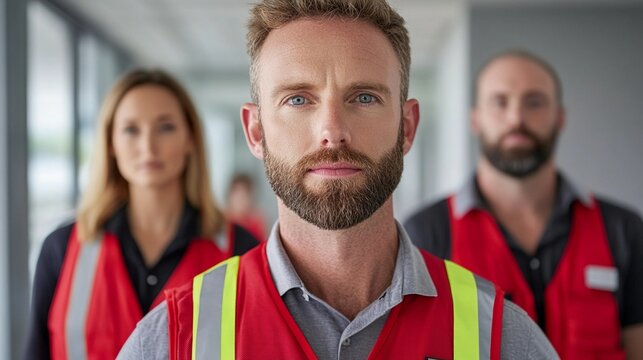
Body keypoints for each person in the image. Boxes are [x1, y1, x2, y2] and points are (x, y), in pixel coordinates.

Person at [118, 2, 557, 359]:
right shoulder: (171, 340)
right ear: (256, 131)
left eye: (363, 97)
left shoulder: (502, 338)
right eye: (298, 99)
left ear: (406, 127)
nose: (332, 130)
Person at [404, 49, 643, 359]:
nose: (517, 118)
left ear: (560, 118)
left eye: (535, 102)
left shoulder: (622, 229)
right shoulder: (426, 233)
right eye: (500, 102)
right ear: (475, 120)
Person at [24, 69, 259, 360]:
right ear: (110, 144)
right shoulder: (61, 248)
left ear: (190, 139)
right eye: (131, 130)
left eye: (166, 127)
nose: (148, 147)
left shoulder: (241, 249)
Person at [226, 173, 268, 241]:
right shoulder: (225, 220)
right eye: (237, 196)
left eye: (243, 196)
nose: (239, 201)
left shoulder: (256, 221)